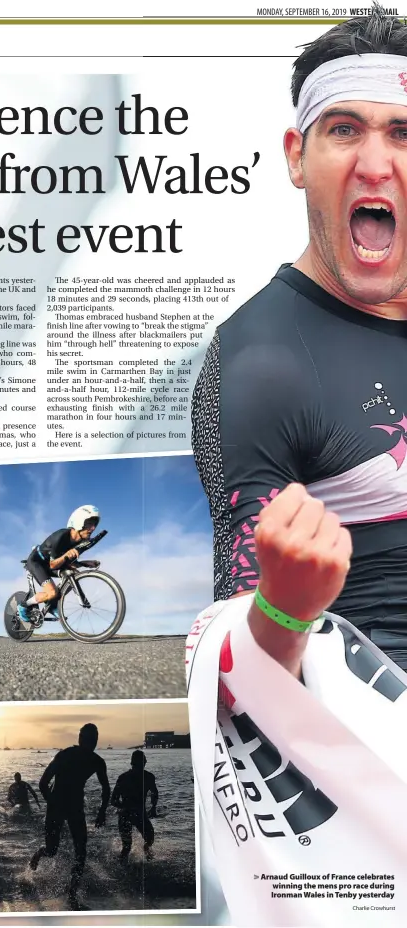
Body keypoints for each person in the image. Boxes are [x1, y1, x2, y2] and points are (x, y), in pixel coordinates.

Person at [192, 5, 407, 673]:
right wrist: (284, 612)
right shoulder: (258, 364)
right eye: (345, 130)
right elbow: (236, 683)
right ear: (297, 157)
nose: (375, 164)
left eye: (404, 133)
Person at [29, 722, 110, 909]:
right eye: (87, 739)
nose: (90, 743)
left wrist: (102, 811)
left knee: (81, 852)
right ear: (80, 739)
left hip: (75, 808)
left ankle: (72, 894)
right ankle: (38, 855)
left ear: (96, 741)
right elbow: (43, 783)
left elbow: (106, 788)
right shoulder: (64, 755)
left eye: (93, 740)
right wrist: (52, 803)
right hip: (56, 806)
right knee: (52, 850)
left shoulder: (97, 762)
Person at [17, 505, 101, 624]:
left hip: (52, 563)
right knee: (51, 592)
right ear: (79, 522)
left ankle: (51, 605)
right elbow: (53, 565)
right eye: (89, 524)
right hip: (37, 562)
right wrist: (67, 555)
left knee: (73, 575)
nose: (92, 528)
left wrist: (83, 564)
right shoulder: (60, 536)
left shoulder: (82, 541)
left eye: (94, 525)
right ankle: (24, 605)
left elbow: (68, 563)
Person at [111, 750, 158, 861]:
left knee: (146, 841)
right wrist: (125, 807)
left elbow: (154, 793)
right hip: (128, 814)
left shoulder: (147, 777)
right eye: (141, 762)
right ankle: (124, 868)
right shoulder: (125, 778)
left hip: (134, 814)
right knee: (130, 846)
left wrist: (153, 807)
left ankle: (145, 852)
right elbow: (113, 800)